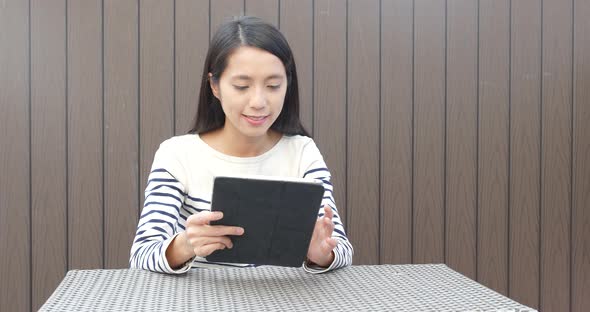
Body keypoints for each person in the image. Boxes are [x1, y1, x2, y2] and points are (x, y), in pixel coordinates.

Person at [129, 16, 353, 274]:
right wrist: (186, 245)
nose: (258, 101)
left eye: (273, 86)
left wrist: (321, 255)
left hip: (285, 299)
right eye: (242, 86)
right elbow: (142, 254)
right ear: (214, 86)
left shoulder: (302, 153)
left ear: (287, 85)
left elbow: (341, 248)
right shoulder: (177, 154)